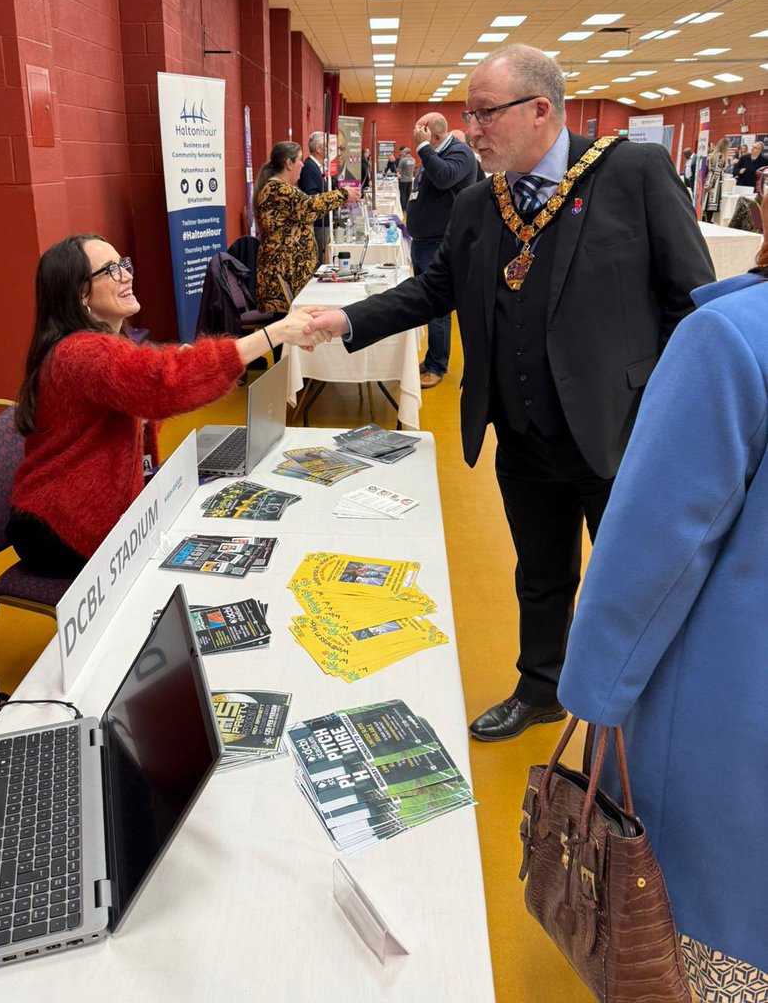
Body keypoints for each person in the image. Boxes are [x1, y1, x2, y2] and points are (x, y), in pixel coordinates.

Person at [301, 45, 714, 742]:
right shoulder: (478, 203)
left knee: (639, 580)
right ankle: (540, 689)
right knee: (540, 572)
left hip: (622, 431)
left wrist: (668, 416)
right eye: (469, 114)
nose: (472, 129)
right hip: (522, 433)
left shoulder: (631, 174)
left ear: (540, 109)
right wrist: (344, 320)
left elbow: (691, 303)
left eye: (484, 113)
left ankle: (650, 721)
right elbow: (434, 291)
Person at [558, 210, 768, 993]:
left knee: (688, 946)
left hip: (726, 719)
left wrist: (592, 692)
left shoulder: (732, 339)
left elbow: (654, 546)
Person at [9, 234, 328, 578]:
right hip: (57, 526)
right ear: (80, 294)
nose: (126, 275)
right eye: (110, 270)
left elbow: (150, 388)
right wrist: (274, 334)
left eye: (124, 264)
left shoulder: (105, 346)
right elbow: (164, 385)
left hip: (84, 508)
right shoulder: (81, 352)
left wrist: (176, 371)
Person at [407, 114, 481, 389]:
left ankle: (437, 365)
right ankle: (432, 356)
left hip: (440, 243)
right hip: (423, 242)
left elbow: (444, 178)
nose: (417, 139)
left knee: (438, 306)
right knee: (426, 304)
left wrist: (423, 148)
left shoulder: (460, 153)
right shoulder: (435, 153)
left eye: (421, 134)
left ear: (434, 135)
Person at [255, 140, 356, 312]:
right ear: (289, 163)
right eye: (300, 159)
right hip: (282, 275)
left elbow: (308, 212)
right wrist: (343, 194)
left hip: (289, 273)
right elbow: (309, 205)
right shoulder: (277, 189)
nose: (303, 164)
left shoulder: (281, 188)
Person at [300, 131, 331, 261]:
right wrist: (330, 198)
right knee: (319, 260)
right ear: (318, 149)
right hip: (318, 223)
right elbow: (311, 196)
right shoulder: (309, 167)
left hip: (323, 221)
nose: (329, 150)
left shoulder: (317, 167)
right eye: (326, 147)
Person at [703, 135, 731, 222]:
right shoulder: (721, 156)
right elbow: (717, 172)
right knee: (711, 204)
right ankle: (708, 221)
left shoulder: (710, 155)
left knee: (706, 202)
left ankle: (706, 220)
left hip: (709, 178)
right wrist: (712, 185)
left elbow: (708, 170)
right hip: (715, 182)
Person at [397, 146, 415, 215]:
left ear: (405, 152)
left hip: (403, 180)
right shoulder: (413, 160)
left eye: (403, 152)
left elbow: (399, 169)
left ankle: (403, 208)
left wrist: (399, 174)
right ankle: (407, 208)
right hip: (410, 179)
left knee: (403, 194)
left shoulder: (403, 160)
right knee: (408, 194)